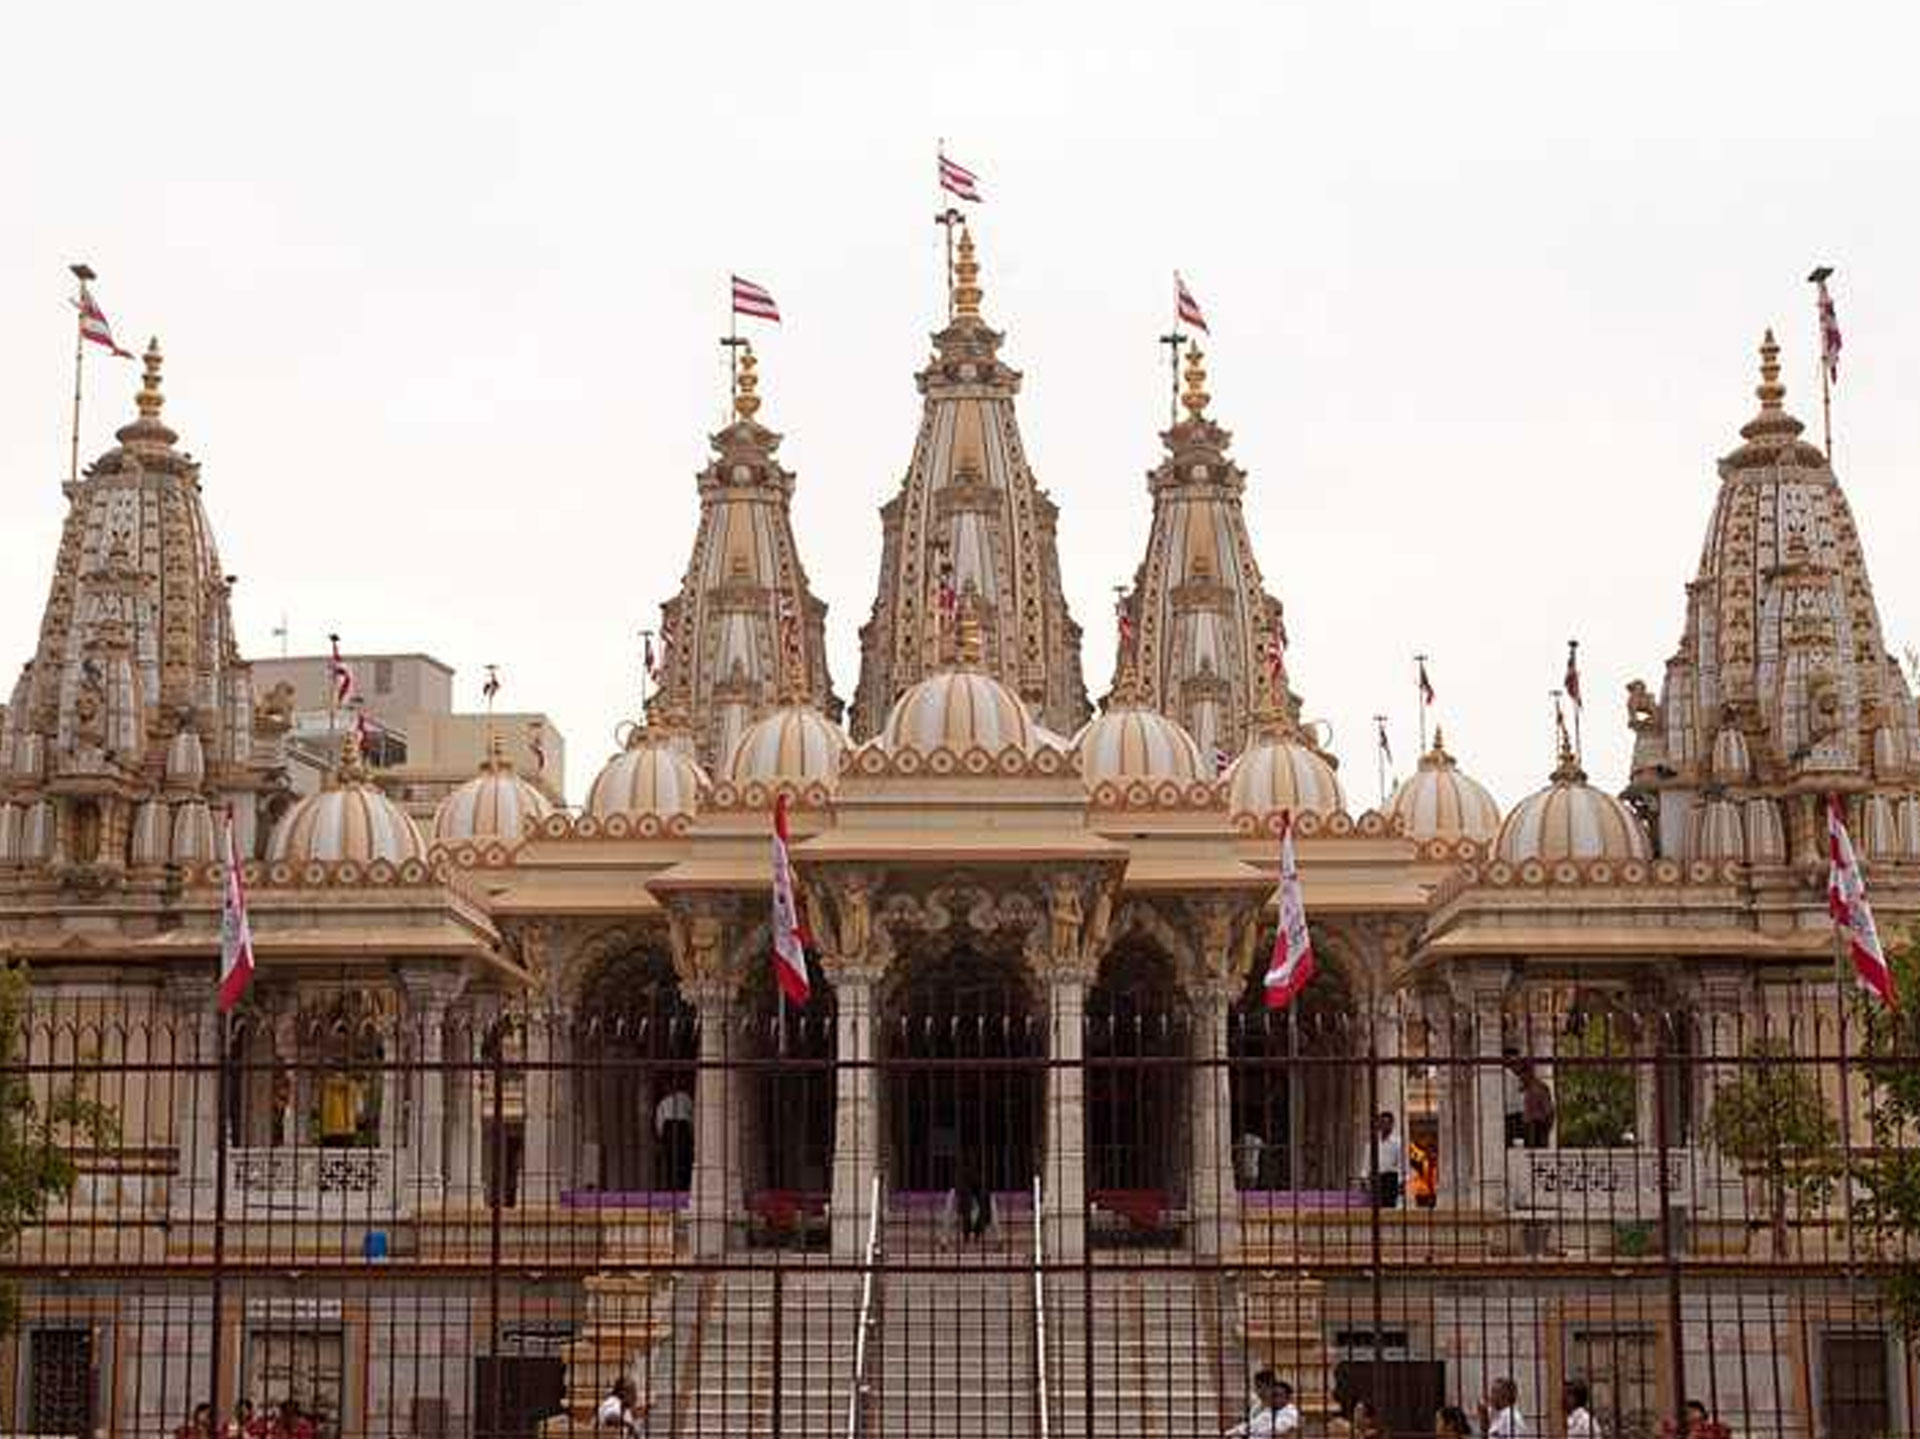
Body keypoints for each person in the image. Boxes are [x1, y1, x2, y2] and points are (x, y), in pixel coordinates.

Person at [1226, 1371, 1300, 1436]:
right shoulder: (1257, 1406)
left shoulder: (1289, 1411)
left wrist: (1246, 1430)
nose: (1257, 1390)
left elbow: (1276, 1429)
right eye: (1256, 1386)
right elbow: (1250, 1425)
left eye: (1260, 1387)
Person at [653, 1082, 694, 1190]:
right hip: (680, 1128)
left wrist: (662, 1136)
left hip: (671, 1129)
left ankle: (674, 1185)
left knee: (673, 1159)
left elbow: (659, 1122)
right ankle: (682, 1185)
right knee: (682, 1159)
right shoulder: (684, 1098)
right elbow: (692, 1114)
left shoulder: (664, 1102)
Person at [1371, 1111, 1404, 1208]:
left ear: (1392, 1125)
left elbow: (1401, 1162)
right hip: (1376, 1177)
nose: (1385, 1125)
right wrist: (1364, 1176)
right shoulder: (1373, 1142)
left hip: (1391, 1178)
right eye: (1382, 1122)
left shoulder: (1397, 1142)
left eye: (1387, 1123)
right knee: (1375, 1206)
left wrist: (1402, 1181)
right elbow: (1367, 1160)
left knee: (1389, 1206)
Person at [956, 1166, 993, 1242]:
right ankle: (967, 1232)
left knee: (984, 1201)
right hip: (965, 1174)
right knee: (966, 1202)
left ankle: (978, 1231)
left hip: (980, 1174)